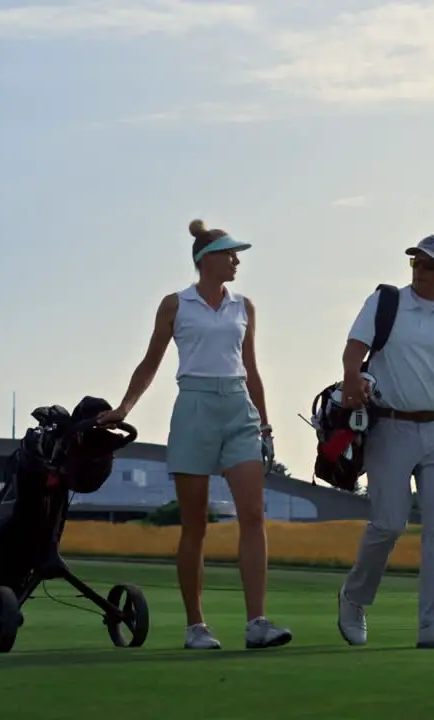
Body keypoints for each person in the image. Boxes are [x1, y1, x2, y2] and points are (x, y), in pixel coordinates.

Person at [97, 218, 292, 651]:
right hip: (194, 407)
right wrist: (125, 408)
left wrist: (264, 421)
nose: (237, 261)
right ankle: (195, 626)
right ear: (207, 260)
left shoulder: (245, 306)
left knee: (253, 515)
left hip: (238, 408)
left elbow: (252, 367)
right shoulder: (175, 304)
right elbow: (150, 363)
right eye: (230, 254)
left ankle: (257, 622)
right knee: (195, 524)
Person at [334, 233, 434, 649]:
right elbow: (354, 348)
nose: (419, 269)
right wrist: (352, 379)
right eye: (415, 262)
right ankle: (353, 598)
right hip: (391, 426)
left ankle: (432, 626)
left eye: (429, 264)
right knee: (388, 523)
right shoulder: (386, 303)